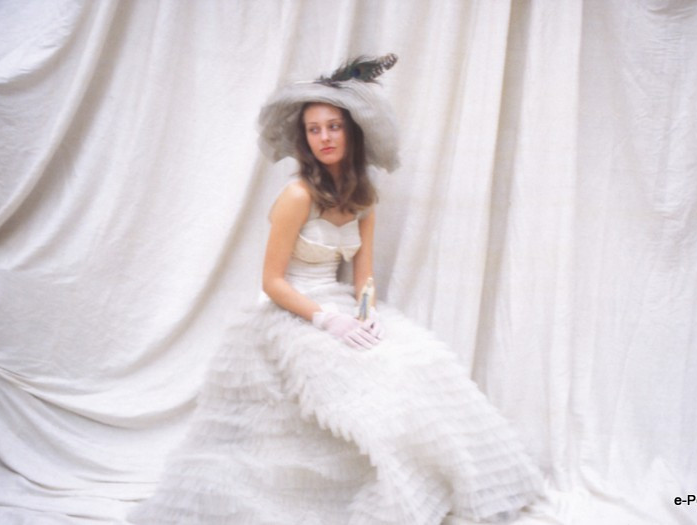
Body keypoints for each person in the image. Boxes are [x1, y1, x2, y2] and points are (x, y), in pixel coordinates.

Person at [128, 54, 542, 525]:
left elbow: (364, 273)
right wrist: (327, 320)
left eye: (333, 127)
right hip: (292, 312)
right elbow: (271, 281)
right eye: (313, 130)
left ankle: (439, 480)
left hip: (341, 304)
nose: (323, 138)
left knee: (419, 362)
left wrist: (366, 311)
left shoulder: (363, 197)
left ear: (351, 133)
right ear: (304, 139)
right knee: (354, 380)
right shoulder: (297, 195)